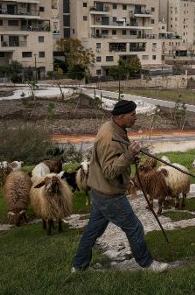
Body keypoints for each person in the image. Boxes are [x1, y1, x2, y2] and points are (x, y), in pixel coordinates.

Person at [72, 99, 169, 273]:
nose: (136, 117)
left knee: (92, 232)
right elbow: (109, 171)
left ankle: (78, 267)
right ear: (122, 116)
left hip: (99, 191)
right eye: (133, 114)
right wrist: (129, 155)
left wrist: (129, 156)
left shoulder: (112, 127)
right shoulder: (110, 138)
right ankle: (147, 264)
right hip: (110, 195)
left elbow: (114, 159)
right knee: (135, 228)